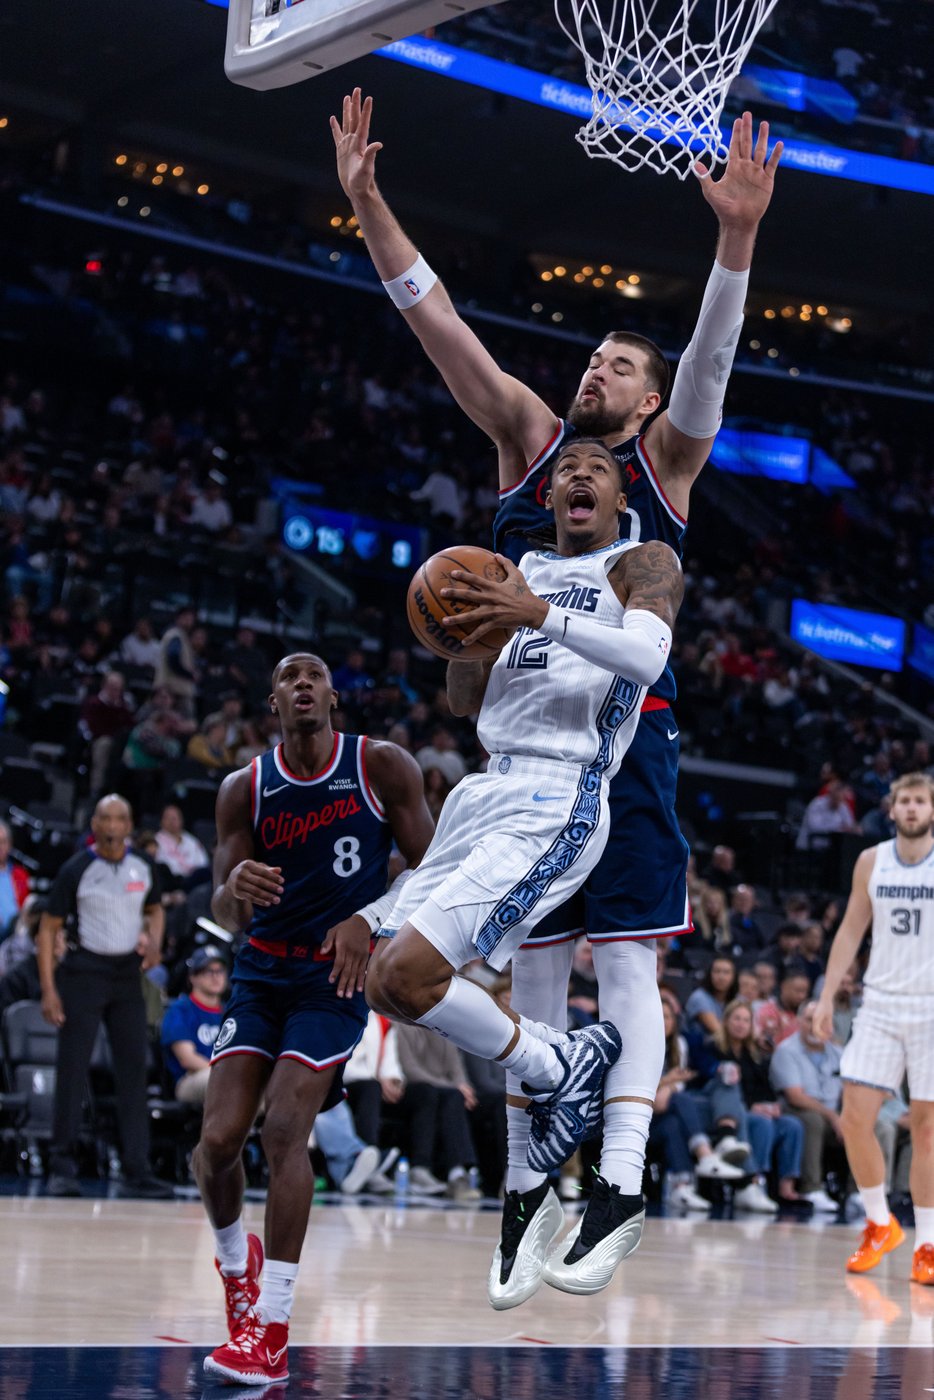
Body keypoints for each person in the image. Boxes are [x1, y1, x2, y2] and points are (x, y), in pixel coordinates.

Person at [333, 87, 780, 1302]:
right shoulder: (532, 446)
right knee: (527, 974)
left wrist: (733, 243)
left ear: (646, 399)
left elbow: (713, 361)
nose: (598, 369)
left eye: (620, 363)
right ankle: (537, 1175)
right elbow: (445, 337)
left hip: (624, 742)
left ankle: (622, 1177)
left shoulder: (662, 466)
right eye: (594, 356)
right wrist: (371, 207)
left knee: (625, 970)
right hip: (521, 743)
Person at [363, 436, 684, 1309]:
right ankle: (560, 1063)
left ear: (623, 497)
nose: (576, 475)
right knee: (386, 982)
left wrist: (532, 613)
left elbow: (649, 661)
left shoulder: (642, 560)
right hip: (483, 789)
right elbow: (466, 702)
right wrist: (471, 627)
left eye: (598, 470)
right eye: (564, 471)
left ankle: (561, 1078)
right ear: (546, 500)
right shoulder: (517, 567)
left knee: (422, 972)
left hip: (562, 787)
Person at [195, 653, 434, 1386]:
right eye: (288, 678)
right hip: (261, 972)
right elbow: (221, 909)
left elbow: (436, 872)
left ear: (332, 695)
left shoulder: (383, 766)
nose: (303, 684)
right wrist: (233, 887)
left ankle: (271, 1327)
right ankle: (238, 1267)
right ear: (274, 703)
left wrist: (371, 917)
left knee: (283, 1130)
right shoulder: (245, 788)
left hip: (333, 977)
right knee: (216, 1142)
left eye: (314, 675)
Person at [814, 772, 934, 1285]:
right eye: (904, 801)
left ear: (932, 810)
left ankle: (927, 1244)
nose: (911, 809)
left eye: (920, 801)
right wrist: (825, 995)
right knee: (854, 1117)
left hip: (932, 1006)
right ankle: (879, 1223)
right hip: (880, 1003)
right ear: (891, 809)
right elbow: (850, 930)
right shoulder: (872, 861)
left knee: (928, 1130)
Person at [36, 794, 172, 1199]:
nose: (113, 826)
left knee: (133, 1071)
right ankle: (61, 1165)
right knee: (73, 1069)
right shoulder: (77, 869)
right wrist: (48, 989)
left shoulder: (144, 866)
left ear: (130, 825)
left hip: (127, 974)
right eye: (106, 819)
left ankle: (137, 1170)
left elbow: (156, 909)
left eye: (120, 819)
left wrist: (157, 943)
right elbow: (47, 929)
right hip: (84, 973)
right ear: (94, 824)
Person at [770, 1001, 845, 1213]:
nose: (815, 1026)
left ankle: (859, 1193)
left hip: (834, 1114)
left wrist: (848, 1117)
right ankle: (811, 1187)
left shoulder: (839, 1053)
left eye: (821, 1020)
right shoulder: (786, 1051)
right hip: (796, 1110)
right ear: (798, 1021)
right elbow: (795, 1096)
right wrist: (833, 1116)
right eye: (809, 1019)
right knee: (813, 1120)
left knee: (866, 1124)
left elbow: (851, 1091)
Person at [161, 945, 228, 1105]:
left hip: (228, 1076)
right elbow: (187, 1059)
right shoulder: (180, 1010)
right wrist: (227, 1074)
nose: (216, 977)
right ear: (193, 977)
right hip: (190, 1078)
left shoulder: (231, 1011)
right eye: (208, 971)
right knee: (226, 1084)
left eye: (220, 971)